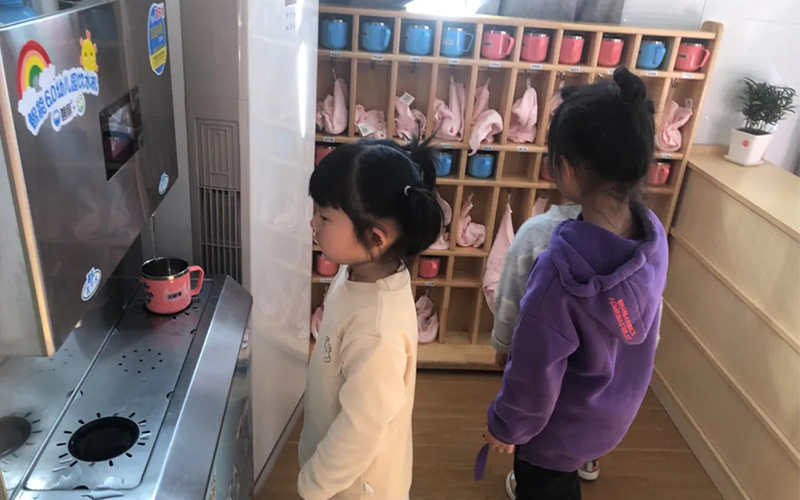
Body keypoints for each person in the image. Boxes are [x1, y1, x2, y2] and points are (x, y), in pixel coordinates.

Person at [482, 68, 668, 500]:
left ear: (564, 168)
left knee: (546, 487)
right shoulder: (652, 237)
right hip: (612, 413)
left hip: (555, 434)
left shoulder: (559, 273)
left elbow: (533, 375)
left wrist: (505, 425)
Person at [299, 137, 443, 500]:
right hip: (337, 472)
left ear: (375, 237)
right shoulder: (358, 271)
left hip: (356, 488)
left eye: (324, 216)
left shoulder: (378, 333)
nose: (313, 222)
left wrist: (311, 484)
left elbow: (360, 431)